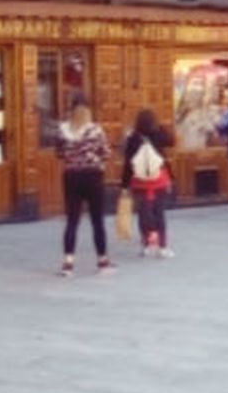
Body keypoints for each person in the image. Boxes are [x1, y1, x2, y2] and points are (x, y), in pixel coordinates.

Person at [55, 97, 114, 277]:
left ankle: (68, 263)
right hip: (93, 175)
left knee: (72, 220)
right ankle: (102, 261)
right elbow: (106, 153)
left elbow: (59, 153)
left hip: (72, 176)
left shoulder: (63, 131)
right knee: (97, 220)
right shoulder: (95, 131)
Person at [122, 109, 175, 258]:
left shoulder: (133, 138)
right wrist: (162, 127)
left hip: (140, 182)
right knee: (159, 212)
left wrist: (124, 185)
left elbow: (128, 163)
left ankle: (146, 244)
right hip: (159, 179)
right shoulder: (159, 134)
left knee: (143, 213)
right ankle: (162, 246)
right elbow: (171, 141)